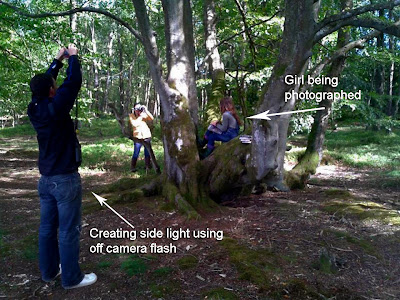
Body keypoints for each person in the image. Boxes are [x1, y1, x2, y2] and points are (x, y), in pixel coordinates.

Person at [27, 44, 97, 289]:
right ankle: (71, 278)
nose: (56, 88)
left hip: (45, 180)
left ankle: (49, 272)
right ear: (51, 92)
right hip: (65, 179)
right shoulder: (57, 107)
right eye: (53, 87)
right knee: (68, 231)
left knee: (47, 229)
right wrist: (74, 57)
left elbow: (45, 84)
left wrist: (58, 60)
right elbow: (74, 81)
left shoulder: (34, 108)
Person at [129, 103, 155, 172]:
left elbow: (151, 118)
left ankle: (148, 166)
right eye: (137, 110)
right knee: (136, 152)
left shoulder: (143, 114)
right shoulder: (132, 116)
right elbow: (135, 124)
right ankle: (133, 167)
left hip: (146, 135)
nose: (138, 112)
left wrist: (146, 111)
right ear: (134, 110)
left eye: (139, 110)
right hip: (137, 137)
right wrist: (140, 117)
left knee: (147, 152)